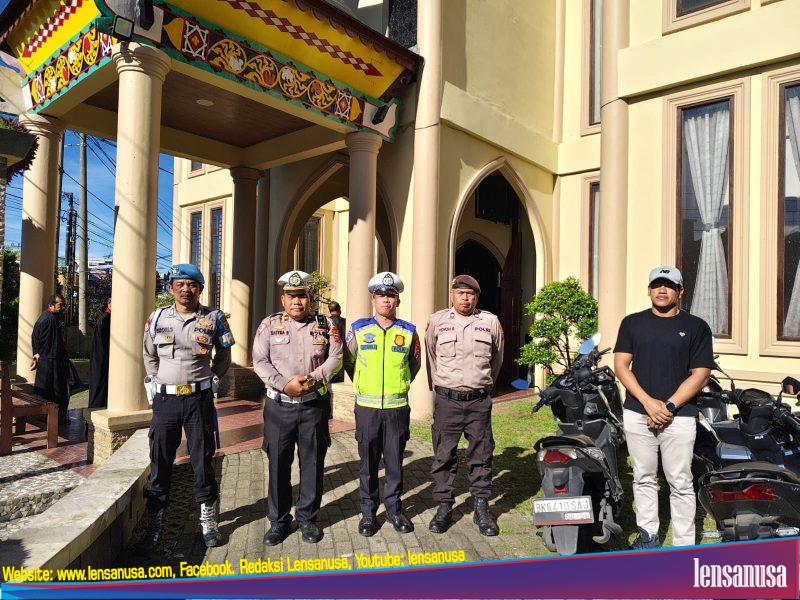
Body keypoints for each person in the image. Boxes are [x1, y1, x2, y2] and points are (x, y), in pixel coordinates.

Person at [613, 266, 713, 549]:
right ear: (649, 290)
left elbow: (701, 374)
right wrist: (648, 403)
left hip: (679, 416)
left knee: (680, 481)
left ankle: (683, 545)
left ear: (680, 292)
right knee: (643, 477)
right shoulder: (632, 323)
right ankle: (648, 536)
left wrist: (667, 407)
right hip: (638, 413)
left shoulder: (697, 327)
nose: (662, 290)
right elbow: (621, 365)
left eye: (669, 285)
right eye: (657, 284)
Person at [140, 264, 235, 551]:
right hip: (166, 402)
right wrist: (156, 381)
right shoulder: (156, 318)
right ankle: (155, 521)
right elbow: (149, 355)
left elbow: (225, 354)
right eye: (179, 284)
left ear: (200, 289)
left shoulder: (214, 318)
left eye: (192, 284)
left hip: (198, 400)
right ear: (171, 288)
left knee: (202, 459)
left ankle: (207, 521)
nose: (185, 289)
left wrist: (213, 378)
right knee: (160, 459)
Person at [253, 270, 343, 546]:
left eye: (302, 296)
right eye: (291, 296)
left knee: (312, 463)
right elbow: (260, 361)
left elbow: (336, 357)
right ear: (283, 299)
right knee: (278, 464)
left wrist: (312, 379)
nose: (297, 301)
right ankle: (279, 521)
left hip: (313, 406)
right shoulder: (269, 325)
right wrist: (284, 384)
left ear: (310, 298)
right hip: (279, 406)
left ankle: (307, 519)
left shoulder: (325, 325)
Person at [425, 275, 504, 536]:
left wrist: (481, 385)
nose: (465, 298)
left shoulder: (490, 322)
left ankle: (481, 507)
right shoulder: (437, 321)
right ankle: (444, 506)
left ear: (476, 297)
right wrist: (442, 387)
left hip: (478, 402)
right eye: (460, 293)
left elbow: (497, 359)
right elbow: (431, 357)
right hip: (447, 400)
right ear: (452, 295)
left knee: (482, 455)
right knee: (444, 454)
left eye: (470, 294)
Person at [344, 272, 421, 537]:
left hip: (396, 408)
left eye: (391, 296)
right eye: (381, 296)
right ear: (373, 300)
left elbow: (414, 365)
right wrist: (364, 384)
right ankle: (368, 512)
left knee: (394, 462)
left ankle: (394, 510)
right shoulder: (358, 329)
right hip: (367, 408)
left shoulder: (408, 332)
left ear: (397, 301)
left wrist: (399, 383)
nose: (386, 300)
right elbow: (349, 362)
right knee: (368, 463)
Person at [31, 294, 70, 423]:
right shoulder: (50, 319)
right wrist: (38, 354)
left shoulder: (45, 317)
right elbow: (45, 341)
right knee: (56, 392)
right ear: (51, 305)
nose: (62, 307)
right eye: (60, 304)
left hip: (47, 361)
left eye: (63, 304)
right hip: (51, 362)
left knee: (48, 392)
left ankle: (47, 419)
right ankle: (56, 420)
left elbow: (35, 337)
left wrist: (36, 354)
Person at [88, 298, 111, 409]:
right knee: (100, 385)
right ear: (109, 303)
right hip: (102, 357)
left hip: (99, 357)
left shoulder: (104, 318)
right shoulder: (106, 319)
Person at [328, 301, 346, 384]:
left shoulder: (326, 322)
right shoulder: (345, 322)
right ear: (339, 309)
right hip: (342, 354)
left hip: (329, 355)